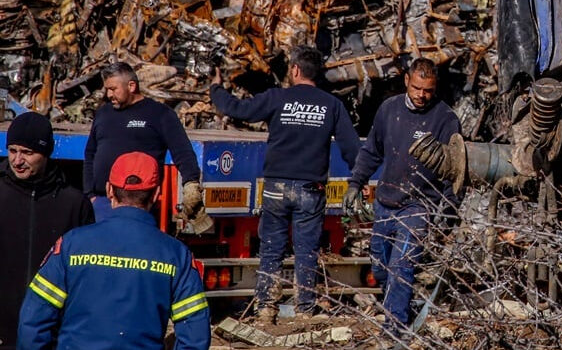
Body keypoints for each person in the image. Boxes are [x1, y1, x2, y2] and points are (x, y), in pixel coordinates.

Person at [210, 45, 360, 320]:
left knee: (272, 247)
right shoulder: (332, 105)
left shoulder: (278, 98)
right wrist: (359, 182)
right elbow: (352, 150)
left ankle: (266, 307)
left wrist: (216, 88)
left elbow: (237, 110)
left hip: (276, 187)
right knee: (306, 250)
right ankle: (305, 309)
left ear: (295, 70)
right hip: (310, 189)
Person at [17, 151, 210, 350]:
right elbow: (195, 334)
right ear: (156, 193)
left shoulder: (71, 244)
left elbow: (33, 320)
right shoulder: (176, 255)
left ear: (109, 190)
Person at [344, 58, 461, 331]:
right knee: (379, 268)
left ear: (436, 88)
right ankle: (401, 307)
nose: (422, 95)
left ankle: (394, 328)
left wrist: (449, 208)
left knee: (401, 267)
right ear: (407, 80)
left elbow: (455, 170)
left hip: (419, 206)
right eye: (417, 88)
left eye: (428, 90)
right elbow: (372, 151)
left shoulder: (446, 119)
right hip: (386, 202)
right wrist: (354, 183)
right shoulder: (389, 109)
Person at [0, 112, 93, 350]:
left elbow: (85, 274)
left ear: (47, 152)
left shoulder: (73, 203)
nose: (17, 160)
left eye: (28, 153)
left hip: (52, 335)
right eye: (12, 150)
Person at [83, 62, 205, 224]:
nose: (108, 94)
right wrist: (90, 194)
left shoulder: (159, 114)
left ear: (131, 86)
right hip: (102, 203)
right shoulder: (104, 113)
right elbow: (90, 153)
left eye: (113, 89)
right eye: (107, 89)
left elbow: (182, 151)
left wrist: (191, 183)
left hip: (139, 204)